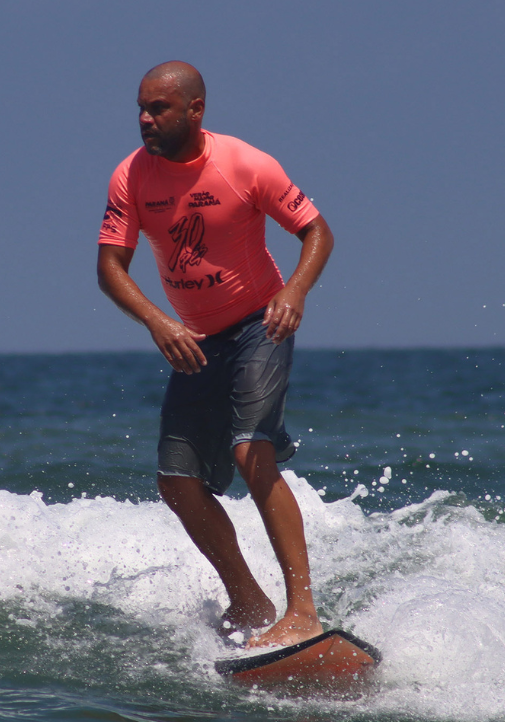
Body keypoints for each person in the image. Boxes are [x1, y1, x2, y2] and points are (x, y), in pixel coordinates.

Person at [96, 61, 335, 649]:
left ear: (195, 110)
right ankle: (249, 601)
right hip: (195, 342)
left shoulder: (244, 164)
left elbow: (317, 231)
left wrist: (294, 290)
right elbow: (109, 267)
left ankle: (303, 611)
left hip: (260, 325)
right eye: (141, 108)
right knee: (176, 483)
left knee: (252, 450)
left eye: (159, 109)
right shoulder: (130, 176)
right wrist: (157, 321)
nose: (146, 119)